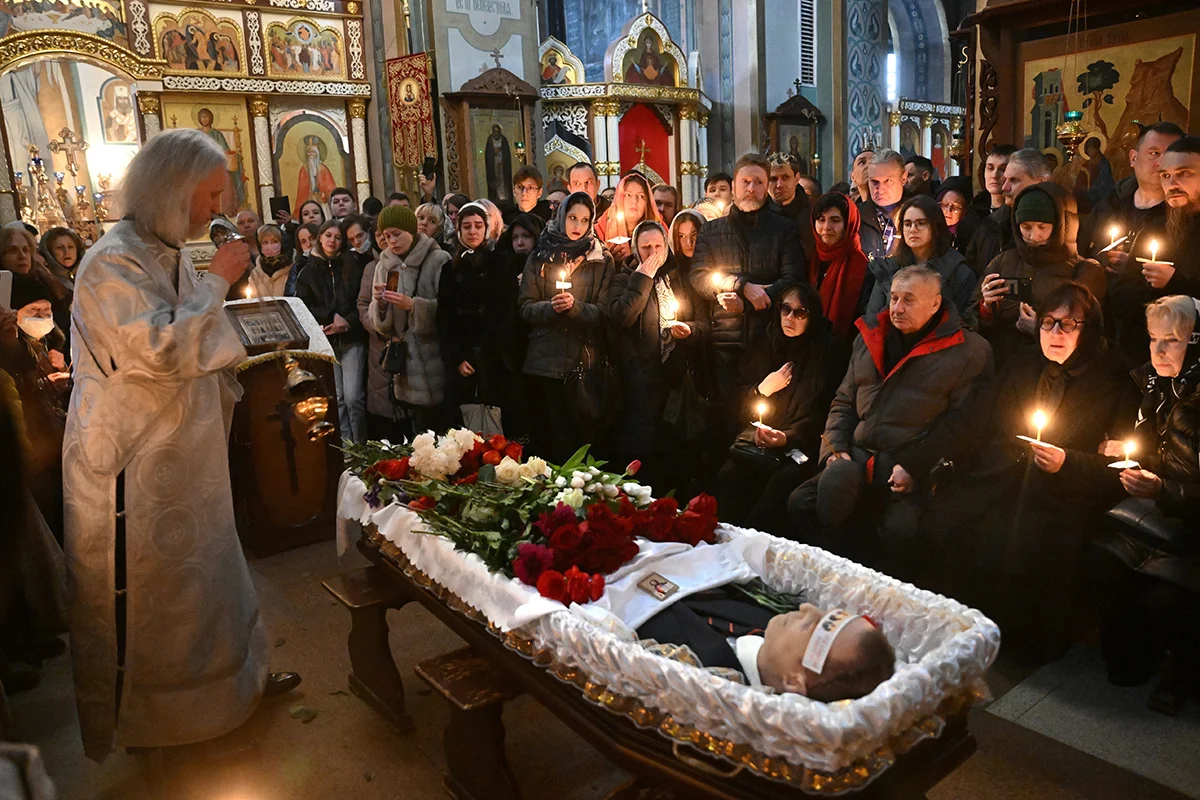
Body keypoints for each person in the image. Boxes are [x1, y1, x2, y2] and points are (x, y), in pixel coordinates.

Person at [61, 129, 298, 763]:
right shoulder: (111, 263)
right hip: (133, 465)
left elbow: (199, 331)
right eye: (211, 194)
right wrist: (218, 282)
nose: (219, 208)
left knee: (213, 575)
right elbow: (163, 351)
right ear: (172, 189)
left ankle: (233, 691)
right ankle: (162, 730)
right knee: (157, 599)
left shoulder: (164, 250)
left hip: (187, 454)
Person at [928, 283, 1136, 659]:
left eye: (1068, 324)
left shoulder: (1114, 378)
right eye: (1048, 322)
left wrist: (1066, 461)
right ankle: (963, 630)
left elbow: (1120, 464)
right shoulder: (1024, 363)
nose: (1055, 333)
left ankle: (1018, 648)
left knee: (1026, 542)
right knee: (953, 520)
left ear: (1089, 329)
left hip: (1067, 491)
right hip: (1003, 472)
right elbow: (980, 421)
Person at [789, 266, 993, 563]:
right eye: (894, 297)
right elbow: (844, 401)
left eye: (909, 300)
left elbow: (963, 426)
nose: (897, 308)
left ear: (935, 303)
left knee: (901, 533)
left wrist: (914, 465)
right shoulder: (870, 335)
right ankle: (836, 575)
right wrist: (834, 450)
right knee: (801, 503)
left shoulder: (969, 351)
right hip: (856, 457)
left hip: (909, 468)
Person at [1093, 296, 1200, 700]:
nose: (1158, 350)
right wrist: (1128, 457)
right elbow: (1161, 452)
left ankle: (1179, 674)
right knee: (1101, 565)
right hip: (1160, 514)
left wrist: (1162, 489)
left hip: (1191, 521)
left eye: (1171, 340)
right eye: (1154, 339)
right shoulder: (1155, 385)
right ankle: (1127, 660)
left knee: (1163, 598)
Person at [717, 282, 844, 532]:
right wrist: (762, 390)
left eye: (800, 312)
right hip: (759, 440)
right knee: (729, 476)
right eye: (785, 309)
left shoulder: (828, 352)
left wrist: (788, 437)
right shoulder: (766, 341)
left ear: (812, 316)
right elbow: (737, 401)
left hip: (801, 447)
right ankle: (723, 544)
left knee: (779, 489)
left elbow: (826, 412)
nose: (790, 318)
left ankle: (753, 549)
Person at [690, 154, 806, 411]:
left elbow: (793, 278)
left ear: (767, 187)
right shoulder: (711, 230)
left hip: (768, 339)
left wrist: (751, 304)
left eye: (759, 182)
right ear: (734, 186)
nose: (751, 189)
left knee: (764, 414)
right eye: (745, 182)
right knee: (726, 414)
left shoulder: (784, 229)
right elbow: (698, 276)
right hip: (724, 341)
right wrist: (740, 286)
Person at [636, 591, 894, 701]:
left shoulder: (698, 676)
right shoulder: (767, 621)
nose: (806, 607)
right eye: (823, 613)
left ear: (793, 680)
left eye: (813, 626)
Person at [605, 220, 707, 490]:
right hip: (638, 381)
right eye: (646, 247)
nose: (653, 253)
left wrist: (690, 329)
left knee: (673, 455)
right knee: (642, 454)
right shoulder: (624, 278)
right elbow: (622, 316)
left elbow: (703, 324)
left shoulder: (680, 278)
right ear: (635, 249)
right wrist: (642, 277)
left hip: (674, 381)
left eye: (658, 246)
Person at [518, 192, 615, 461]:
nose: (577, 225)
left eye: (584, 220)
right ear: (561, 217)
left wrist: (576, 308)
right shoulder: (541, 254)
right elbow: (525, 306)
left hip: (582, 362)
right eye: (572, 218)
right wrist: (551, 307)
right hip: (545, 362)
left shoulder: (601, 259)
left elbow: (604, 312)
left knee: (581, 440)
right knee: (550, 439)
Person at [977, 182, 1107, 370]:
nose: (1033, 235)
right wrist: (986, 308)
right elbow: (971, 319)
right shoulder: (1003, 261)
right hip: (1004, 367)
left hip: (1054, 373)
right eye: (1026, 226)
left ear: (1062, 225)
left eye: (1042, 226)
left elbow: (1094, 337)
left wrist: (1041, 329)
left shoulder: (1085, 271)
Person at [368, 204, 451, 436]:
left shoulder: (438, 259)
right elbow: (381, 326)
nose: (392, 241)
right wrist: (381, 304)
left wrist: (414, 306)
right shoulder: (384, 265)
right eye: (386, 236)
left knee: (446, 433)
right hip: (405, 366)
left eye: (397, 234)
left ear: (411, 231)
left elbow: (449, 311)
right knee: (417, 436)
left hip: (436, 359)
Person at [437, 202, 520, 432]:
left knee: (498, 428)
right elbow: (444, 317)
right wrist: (456, 357)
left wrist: (482, 354)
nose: (472, 231)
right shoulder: (449, 269)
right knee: (461, 429)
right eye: (466, 226)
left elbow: (505, 314)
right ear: (459, 230)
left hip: (494, 359)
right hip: (461, 358)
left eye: (477, 225)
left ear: (486, 229)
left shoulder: (502, 263)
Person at [295, 219, 367, 442]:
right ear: (320, 237)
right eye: (328, 236)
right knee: (337, 399)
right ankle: (346, 447)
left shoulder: (352, 266)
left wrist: (347, 321)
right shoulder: (307, 271)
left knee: (353, 398)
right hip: (326, 341)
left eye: (338, 237)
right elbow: (304, 305)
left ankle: (361, 444)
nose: (332, 241)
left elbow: (361, 300)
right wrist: (330, 316)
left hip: (351, 339)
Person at [864, 195, 977, 325]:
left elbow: (963, 321)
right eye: (907, 224)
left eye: (921, 223)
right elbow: (872, 321)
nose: (913, 230)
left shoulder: (959, 272)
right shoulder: (888, 268)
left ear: (936, 227)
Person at [966, 148, 1051, 278]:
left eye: (1014, 180)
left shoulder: (1064, 226)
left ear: (1039, 182)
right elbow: (972, 276)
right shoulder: (989, 225)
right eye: (1005, 179)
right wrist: (983, 290)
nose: (1005, 187)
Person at [808, 192, 872, 341]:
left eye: (835, 220)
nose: (826, 227)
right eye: (821, 220)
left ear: (849, 224)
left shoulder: (862, 267)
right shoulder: (810, 259)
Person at [0, 227, 72, 335]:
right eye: (13, 250)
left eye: (26, 250)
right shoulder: (5, 291)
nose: (22, 256)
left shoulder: (45, 284)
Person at [594, 172, 663, 262]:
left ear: (647, 202)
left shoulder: (659, 229)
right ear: (619, 198)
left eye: (641, 196)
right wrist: (610, 260)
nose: (634, 201)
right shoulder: (600, 230)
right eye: (628, 195)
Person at [859, 149, 908, 259]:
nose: (880, 190)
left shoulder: (919, 213)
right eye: (874, 182)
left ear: (903, 178)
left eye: (888, 181)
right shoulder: (856, 216)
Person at [767, 152, 815, 258]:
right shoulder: (759, 215)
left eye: (785, 177)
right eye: (773, 179)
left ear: (796, 178)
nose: (779, 185)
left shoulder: (812, 214)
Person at [936, 176, 981, 256]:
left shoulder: (973, 235)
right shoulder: (929, 231)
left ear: (965, 210)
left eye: (956, 207)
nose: (948, 210)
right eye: (945, 205)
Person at [247, 223, 293, 298]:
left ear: (282, 243)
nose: (270, 245)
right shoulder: (255, 275)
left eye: (275, 241)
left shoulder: (294, 269)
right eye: (265, 242)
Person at [971, 144, 1016, 217]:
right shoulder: (973, 212)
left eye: (1003, 169)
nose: (994, 175)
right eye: (990, 168)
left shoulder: (1020, 214)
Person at [38, 226, 85, 293]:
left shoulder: (89, 276)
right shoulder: (44, 282)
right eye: (59, 247)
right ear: (49, 252)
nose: (67, 252)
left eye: (70, 247)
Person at [285, 221, 319, 296]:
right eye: (303, 241)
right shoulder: (297, 268)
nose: (308, 244)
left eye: (312, 238)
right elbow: (291, 296)